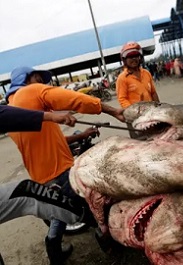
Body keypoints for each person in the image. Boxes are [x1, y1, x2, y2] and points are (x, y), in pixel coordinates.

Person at [6, 66, 125, 265]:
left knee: (58, 209)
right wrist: (112, 111)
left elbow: (51, 139)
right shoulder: (30, 91)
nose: (42, 83)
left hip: (41, 178)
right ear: (27, 79)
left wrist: (82, 135)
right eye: (38, 78)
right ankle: (112, 248)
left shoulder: (12, 112)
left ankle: (54, 251)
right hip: (61, 173)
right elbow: (74, 99)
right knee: (97, 210)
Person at [116, 42, 160, 138]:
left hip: (151, 114)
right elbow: (122, 99)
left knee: (157, 138)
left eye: (136, 56)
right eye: (130, 57)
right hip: (134, 118)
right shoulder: (122, 78)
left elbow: (153, 92)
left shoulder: (146, 73)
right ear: (124, 60)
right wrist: (135, 112)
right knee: (141, 143)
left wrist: (159, 107)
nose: (134, 59)